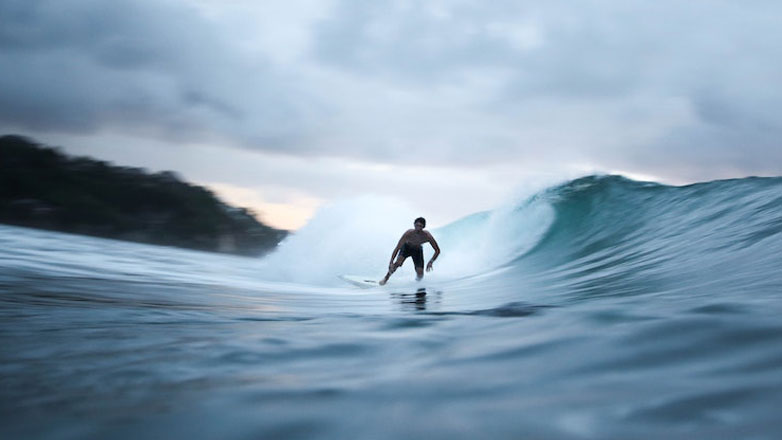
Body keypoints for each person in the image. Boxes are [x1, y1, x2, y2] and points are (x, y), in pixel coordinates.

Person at [379, 217, 441, 285]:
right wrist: (391, 262)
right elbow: (397, 248)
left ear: (423, 227)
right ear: (414, 225)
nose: (418, 228)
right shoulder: (408, 233)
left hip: (417, 250)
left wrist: (431, 261)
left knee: (420, 273)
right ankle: (386, 278)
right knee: (398, 263)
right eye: (417, 225)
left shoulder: (427, 236)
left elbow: (437, 250)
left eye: (420, 226)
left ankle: (417, 284)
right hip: (406, 248)